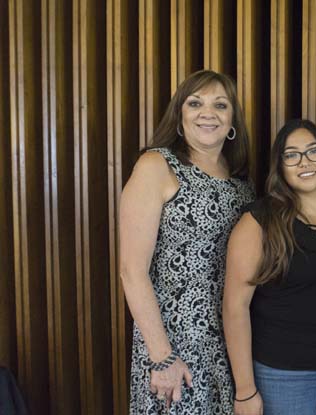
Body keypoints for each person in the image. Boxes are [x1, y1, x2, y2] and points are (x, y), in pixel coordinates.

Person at [119, 69, 255, 413]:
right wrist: (162, 357)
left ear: (232, 120)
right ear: (180, 116)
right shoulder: (157, 165)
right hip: (173, 342)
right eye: (195, 103)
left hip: (228, 341)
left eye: (220, 105)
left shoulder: (241, 181)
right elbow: (131, 271)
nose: (207, 113)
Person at [223, 119, 316, 415]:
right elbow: (234, 307)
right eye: (291, 155)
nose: (305, 161)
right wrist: (245, 390)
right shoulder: (260, 222)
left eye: (314, 151)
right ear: (280, 166)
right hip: (285, 374)